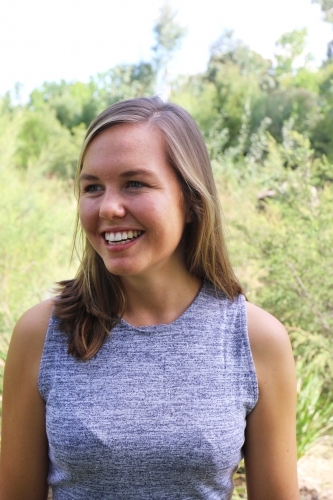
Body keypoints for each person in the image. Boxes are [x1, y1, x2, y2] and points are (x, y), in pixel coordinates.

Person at [0, 96, 299, 500]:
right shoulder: (41, 333)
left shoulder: (256, 339)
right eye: (92, 187)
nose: (108, 207)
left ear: (191, 201)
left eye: (134, 183)